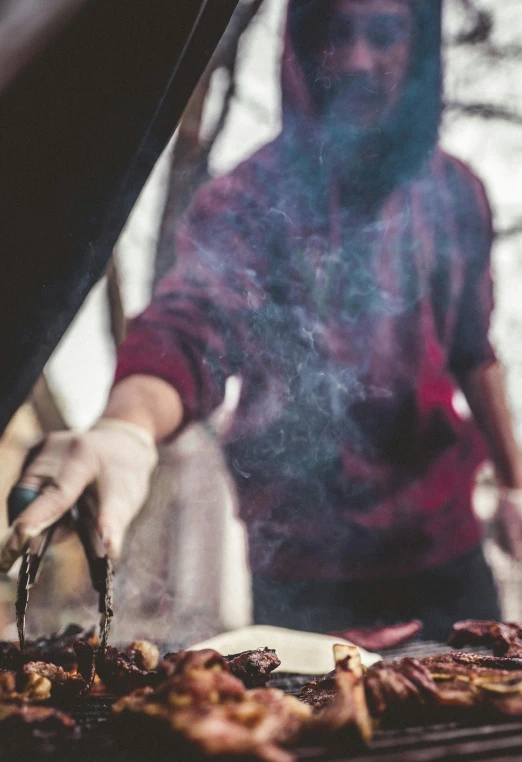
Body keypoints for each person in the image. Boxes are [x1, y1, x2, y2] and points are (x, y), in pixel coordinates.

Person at [2, 0, 522, 641]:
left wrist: (515, 485)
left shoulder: (457, 194)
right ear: (302, 48)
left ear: (419, 52)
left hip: (443, 550)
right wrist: (126, 428)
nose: (358, 58)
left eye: (384, 34)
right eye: (335, 33)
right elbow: (189, 330)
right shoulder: (247, 200)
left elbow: (475, 350)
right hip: (299, 564)